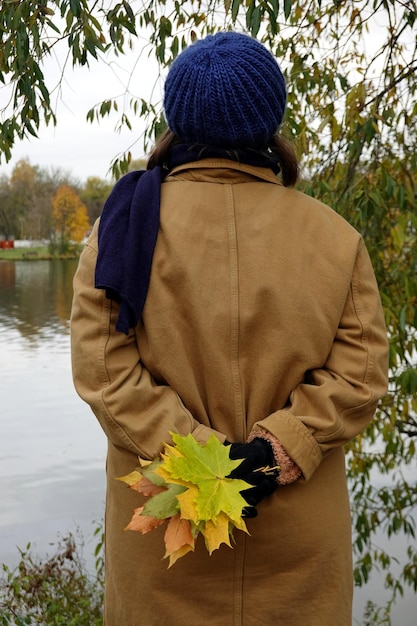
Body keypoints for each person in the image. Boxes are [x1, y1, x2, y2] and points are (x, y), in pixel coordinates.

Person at [70, 31, 389, 626]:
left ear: (178, 118)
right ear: (270, 118)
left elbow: (104, 373)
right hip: (297, 556)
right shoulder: (337, 239)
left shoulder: (119, 234)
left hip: (167, 555)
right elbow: (362, 375)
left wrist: (207, 465)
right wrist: (273, 457)